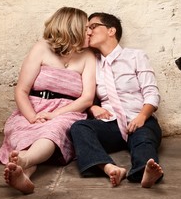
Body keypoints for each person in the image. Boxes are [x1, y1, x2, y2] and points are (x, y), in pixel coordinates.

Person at [0, 7, 96, 194]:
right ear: (73, 28)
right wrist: (32, 117)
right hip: (33, 107)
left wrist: (54, 114)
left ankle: (25, 161)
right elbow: (21, 90)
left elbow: (87, 98)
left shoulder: (88, 56)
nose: (90, 32)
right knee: (26, 139)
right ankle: (23, 175)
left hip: (68, 111)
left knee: (52, 131)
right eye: (86, 27)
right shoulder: (41, 48)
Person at [70, 12, 163, 188]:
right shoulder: (92, 62)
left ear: (111, 30)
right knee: (79, 128)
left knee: (143, 140)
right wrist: (93, 108)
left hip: (139, 118)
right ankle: (109, 167)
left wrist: (142, 116)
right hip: (110, 123)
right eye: (87, 28)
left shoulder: (136, 56)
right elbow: (85, 94)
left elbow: (151, 91)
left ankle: (145, 172)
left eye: (93, 26)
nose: (88, 32)